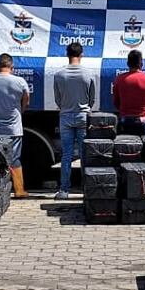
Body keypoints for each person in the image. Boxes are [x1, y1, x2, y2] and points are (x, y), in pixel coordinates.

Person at [0, 53, 30, 198]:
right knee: (14, 159)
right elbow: (26, 101)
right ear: (12, 67)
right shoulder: (20, 82)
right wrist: (19, 112)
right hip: (13, 129)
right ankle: (19, 191)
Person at [52, 41, 96, 200]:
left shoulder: (59, 75)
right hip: (83, 116)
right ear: (81, 54)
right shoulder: (89, 74)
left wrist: (65, 107)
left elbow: (57, 99)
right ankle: (86, 190)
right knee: (84, 155)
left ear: (67, 54)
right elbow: (92, 98)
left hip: (65, 116)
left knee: (66, 155)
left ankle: (64, 190)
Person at [112, 49, 145, 137]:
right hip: (143, 119)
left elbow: (116, 102)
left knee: (124, 145)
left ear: (128, 64)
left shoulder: (119, 79)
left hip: (125, 119)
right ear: (141, 64)